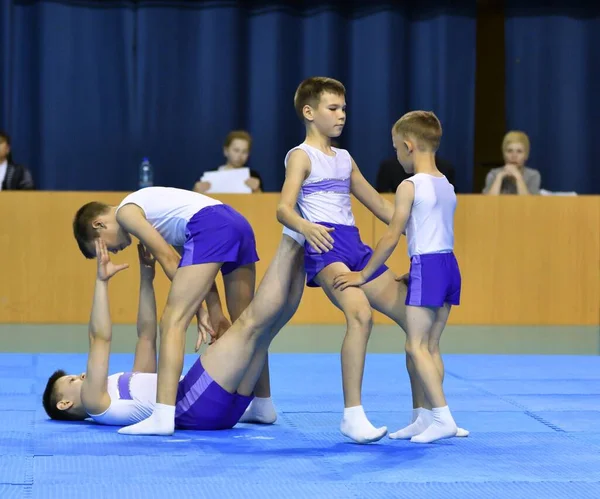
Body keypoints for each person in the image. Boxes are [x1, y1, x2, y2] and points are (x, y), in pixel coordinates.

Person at [276, 77, 415, 444]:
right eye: (332, 109)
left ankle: (427, 415)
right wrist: (306, 227)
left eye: (343, 109)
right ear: (309, 112)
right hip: (326, 248)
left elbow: (383, 207)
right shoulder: (301, 156)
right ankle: (352, 415)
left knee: (416, 316)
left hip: (355, 246)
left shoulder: (345, 159)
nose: (341, 116)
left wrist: (423, 227)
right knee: (360, 314)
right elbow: (283, 209)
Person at [72, 186, 265, 436]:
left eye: (104, 248)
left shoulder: (126, 214)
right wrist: (213, 312)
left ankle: (162, 416)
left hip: (210, 224)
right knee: (250, 323)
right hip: (235, 221)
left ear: (99, 224)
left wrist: (198, 311)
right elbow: (197, 269)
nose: (114, 252)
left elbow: (170, 260)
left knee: (172, 321)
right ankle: (263, 404)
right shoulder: (153, 216)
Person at [42, 240, 274, 430]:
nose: (81, 375)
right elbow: (99, 339)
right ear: (65, 403)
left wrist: (146, 276)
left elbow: (146, 334)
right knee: (249, 324)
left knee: (265, 330)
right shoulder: (95, 403)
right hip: (196, 404)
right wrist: (101, 282)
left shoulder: (121, 390)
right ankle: (294, 237)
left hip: (217, 409)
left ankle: (296, 241)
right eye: (72, 380)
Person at [334, 111, 462, 443]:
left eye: (396, 149)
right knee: (431, 346)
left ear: (408, 146)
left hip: (428, 267)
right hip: (448, 267)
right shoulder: (446, 185)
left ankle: (443, 417)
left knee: (415, 345)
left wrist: (364, 274)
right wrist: (419, 272)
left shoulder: (409, 186)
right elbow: (437, 232)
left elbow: (392, 236)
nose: (396, 156)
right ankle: (425, 418)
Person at [482, 130, 541, 195]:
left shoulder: (533, 176)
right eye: (510, 151)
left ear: (526, 155)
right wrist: (499, 177)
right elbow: (488, 203)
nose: (514, 156)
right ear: (504, 155)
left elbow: (529, 204)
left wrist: (518, 176)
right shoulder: (493, 174)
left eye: (519, 151)